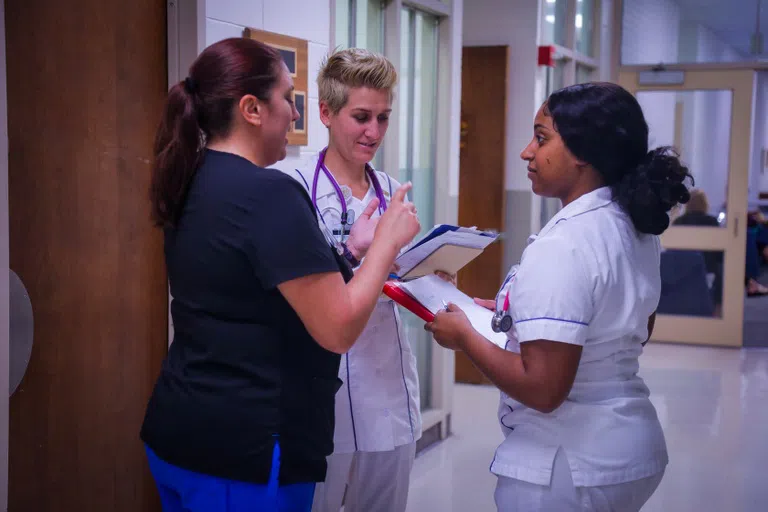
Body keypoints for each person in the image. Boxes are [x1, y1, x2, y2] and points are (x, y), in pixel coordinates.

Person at [140, 38, 420, 512]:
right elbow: (336, 329)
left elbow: (246, 289)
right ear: (251, 109)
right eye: (287, 99)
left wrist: (354, 253)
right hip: (243, 448)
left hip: (182, 427)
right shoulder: (271, 192)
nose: (294, 115)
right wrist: (387, 244)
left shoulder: (193, 176)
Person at [426, 82, 692, 511]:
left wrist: (464, 338)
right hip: (627, 446)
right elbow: (633, 327)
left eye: (541, 137)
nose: (526, 152)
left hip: (571, 464)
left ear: (583, 151)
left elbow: (545, 390)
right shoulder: (633, 226)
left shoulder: (565, 243)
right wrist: (518, 315)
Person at [286, 48, 424, 512]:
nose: (374, 132)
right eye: (361, 116)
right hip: (321, 397)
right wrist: (357, 254)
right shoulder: (293, 187)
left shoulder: (392, 190)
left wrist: (430, 276)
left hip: (387, 393)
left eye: (383, 118)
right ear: (325, 112)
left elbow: (398, 279)